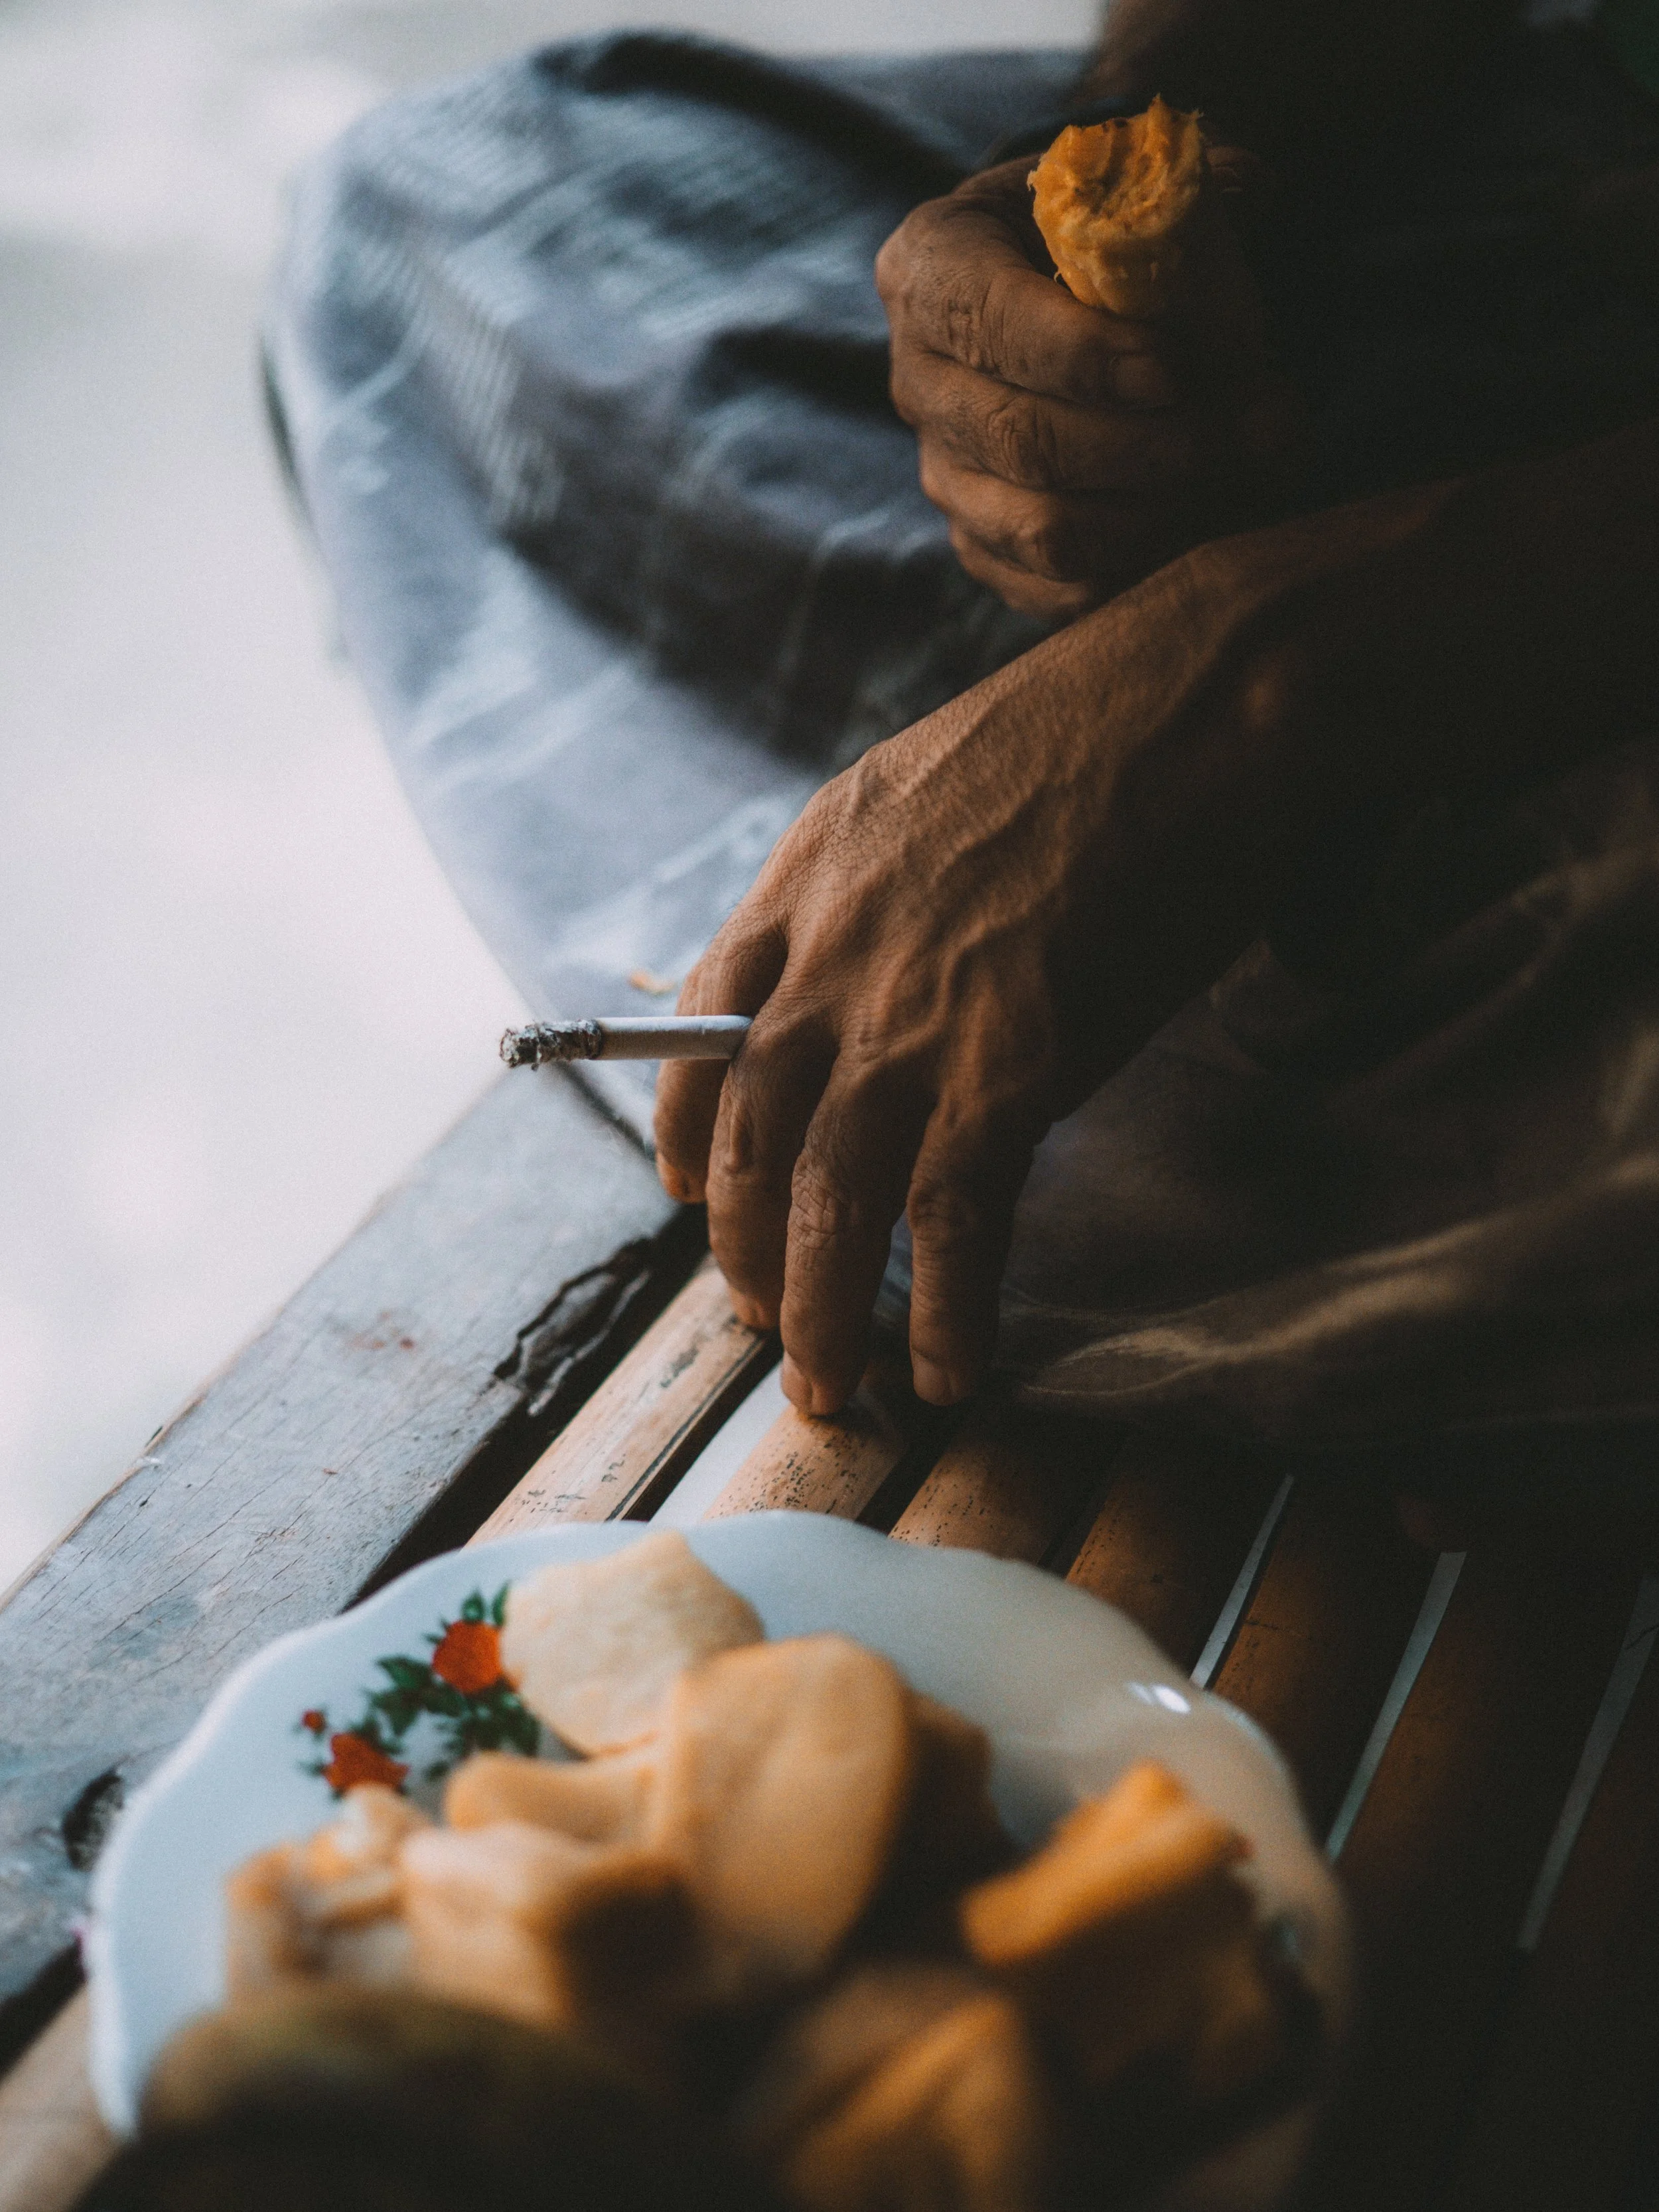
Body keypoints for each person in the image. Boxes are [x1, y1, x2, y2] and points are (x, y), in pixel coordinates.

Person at [269, 0, 1659, 1506]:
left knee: (1171, 1164)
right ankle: (1025, 971)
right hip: (1561, 190)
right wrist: (1091, 226)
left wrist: (1281, 663)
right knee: (445, 204)